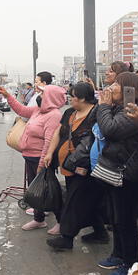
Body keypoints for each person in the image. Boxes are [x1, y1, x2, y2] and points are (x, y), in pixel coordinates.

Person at [95, 72, 138, 275]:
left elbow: (109, 130)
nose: (112, 86)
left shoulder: (135, 111)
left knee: (126, 220)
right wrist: (104, 105)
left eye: (117, 83)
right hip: (115, 170)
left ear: (129, 88)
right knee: (116, 218)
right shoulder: (118, 108)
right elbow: (100, 122)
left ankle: (130, 263)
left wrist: (104, 107)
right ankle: (118, 255)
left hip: (128, 174)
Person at [43, 82, 109, 248]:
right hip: (69, 166)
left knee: (73, 202)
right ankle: (100, 233)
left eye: (72, 97)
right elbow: (58, 133)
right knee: (87, 201)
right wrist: (50, 153)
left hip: (86, 166)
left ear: (82, 99)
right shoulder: (70, 113)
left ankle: (66, 238)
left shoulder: (96, 113)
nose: (69, 99)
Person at [0, 84, 67, 231]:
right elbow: (22, 110)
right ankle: (39, 219)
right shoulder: (38, 110)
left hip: (40, 159)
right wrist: (8, 96)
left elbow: (49, 142)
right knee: (35, 190)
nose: (39, 97)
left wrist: (41, 164)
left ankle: (61, 222)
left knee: (49, 191)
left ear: (50, 98)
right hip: (29, 157)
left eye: (42, 94)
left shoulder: (54, 115)